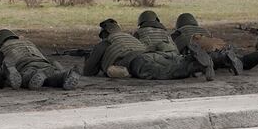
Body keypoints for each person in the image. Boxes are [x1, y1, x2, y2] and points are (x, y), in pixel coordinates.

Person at [84, 18, 214, 81]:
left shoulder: (106, 42)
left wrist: (89, 58)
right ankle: (193, 61)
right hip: (149, 54)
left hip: (136, 62)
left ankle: (195, 65)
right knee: (172, 62)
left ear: (104, 34)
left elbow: (89, 71)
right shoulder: (129, 37)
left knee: (163, 72)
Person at [0, 29, 80, 91]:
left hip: (25, 65)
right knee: (50, 78)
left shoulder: (3, 48)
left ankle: (33, 75)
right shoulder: (29, 43)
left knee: (26, 77)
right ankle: (65, 75)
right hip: (44, 64)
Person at [134, 11, 215, 80]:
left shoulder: (139, 32)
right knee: (181, 61)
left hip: (155, 55)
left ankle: (190, 68)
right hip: (173, 54)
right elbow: (175, 47)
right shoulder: (165, 32)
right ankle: (216, 59)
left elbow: (137, 48)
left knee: (156, 69)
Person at [171, 13, 243, 75]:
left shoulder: (178, 32)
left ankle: (203, 64)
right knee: (216, 55)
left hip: (196, 47)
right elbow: (210, 40)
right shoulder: (203, 29)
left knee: (192, 57)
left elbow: (174, 47)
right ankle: (225, 56)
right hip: (214, 44)